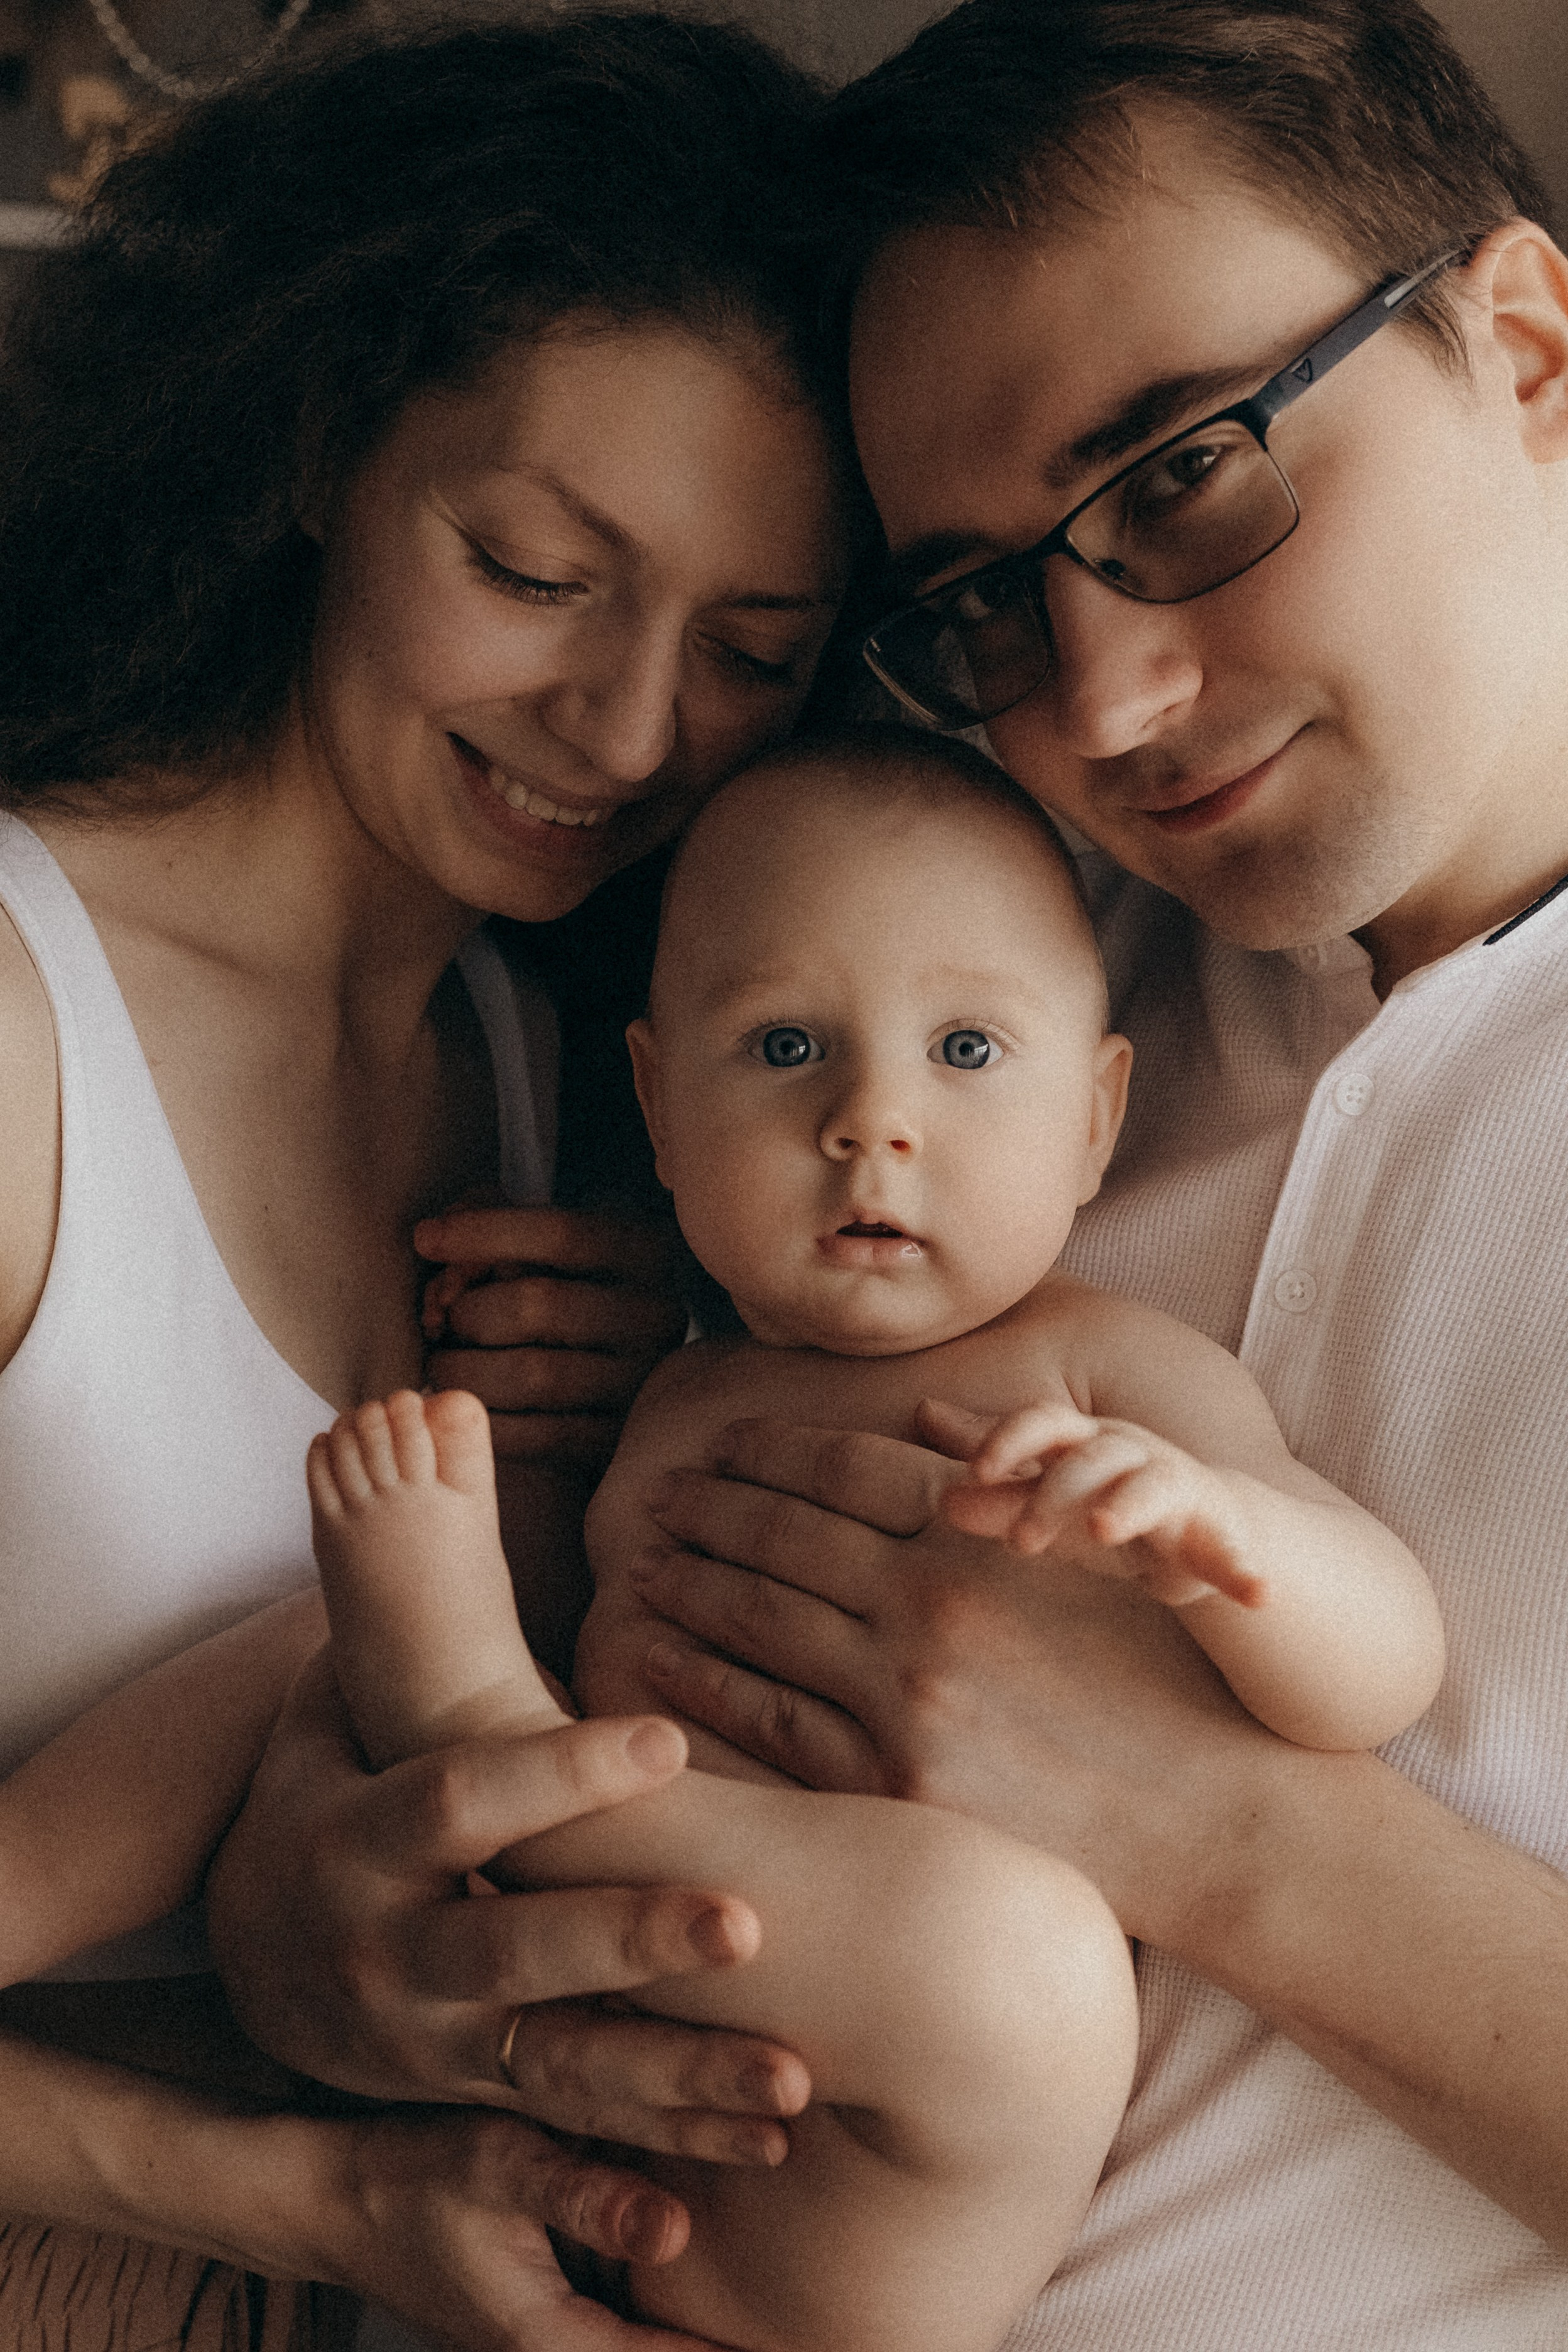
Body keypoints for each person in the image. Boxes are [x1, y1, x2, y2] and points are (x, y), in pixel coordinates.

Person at [556, 3, 1568, 2344]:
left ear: (1518, 344)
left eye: (1191, 474)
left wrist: (1204, 1819)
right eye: (987, 601)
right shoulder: (984, 963)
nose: (1100, 702)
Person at [0, 14, 859, 2347]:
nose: (628, 731)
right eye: (536, 568)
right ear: (312, 444)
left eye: (752, 654)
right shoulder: (20, 1029)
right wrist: (287, 2199)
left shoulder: (566, 1075)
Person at [313, 731, 1439, 2349]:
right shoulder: (673, 1393)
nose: (872, 1120)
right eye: (784, 1045)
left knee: (1023, 1972)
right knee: (289, 1636)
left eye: (970, 1049)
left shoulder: (1100, 1373)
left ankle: (474, 1733)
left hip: (867, 2203)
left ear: (1099, 1115)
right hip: (611, 2136)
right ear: (655, 1096)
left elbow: (1384, 1670)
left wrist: (1227, 1540)